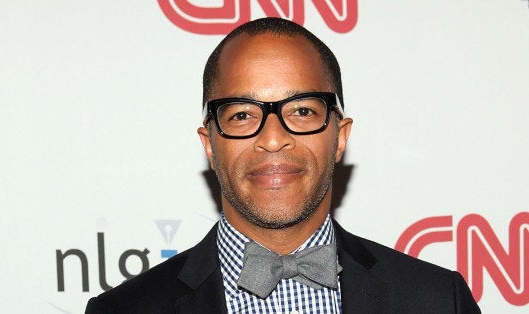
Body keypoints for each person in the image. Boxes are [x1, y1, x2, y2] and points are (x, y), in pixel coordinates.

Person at [85, 17, 481, 313]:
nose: (273, 139)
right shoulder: (124, 311)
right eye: (241, 115)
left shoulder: (437, 300)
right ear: (210, 144)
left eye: (303, 110)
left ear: (340, 136)